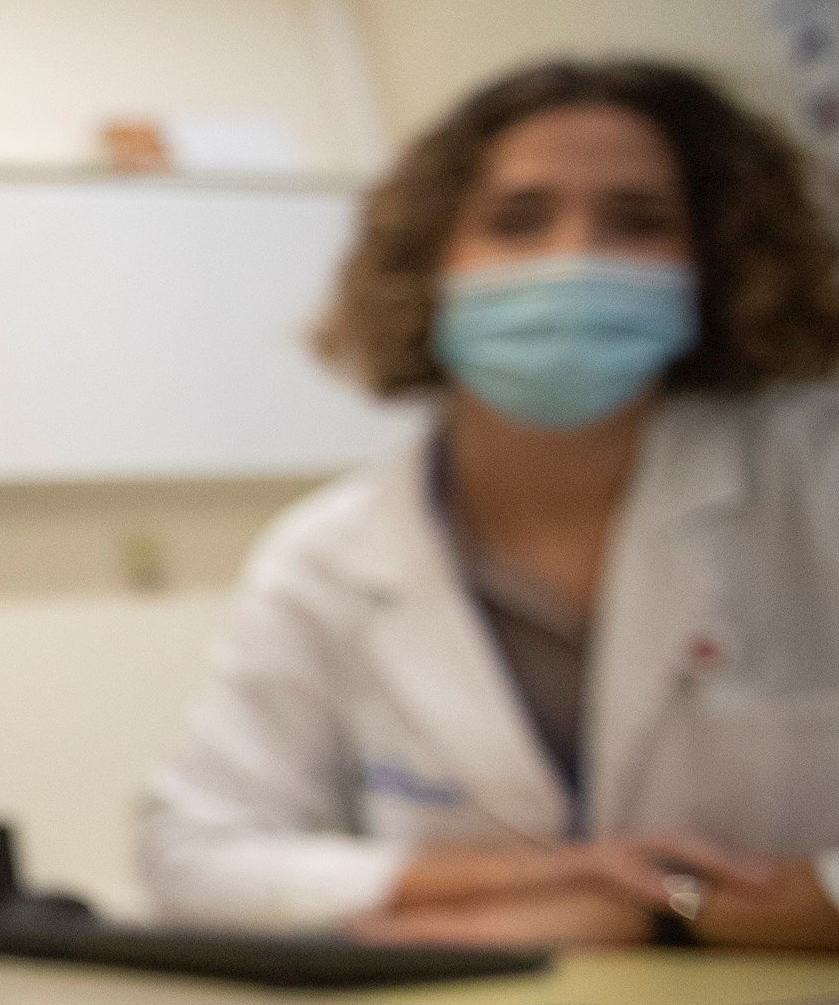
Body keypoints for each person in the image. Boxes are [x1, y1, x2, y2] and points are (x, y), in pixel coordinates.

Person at [143, 58, 839, 952]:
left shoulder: (814, 478)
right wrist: (531, 879)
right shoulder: (329, 554)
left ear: (712, 265)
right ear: (427, 265)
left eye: (639, 222)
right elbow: (190, 853)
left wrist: (662, 912)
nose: (575, 256)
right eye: (518, 220)